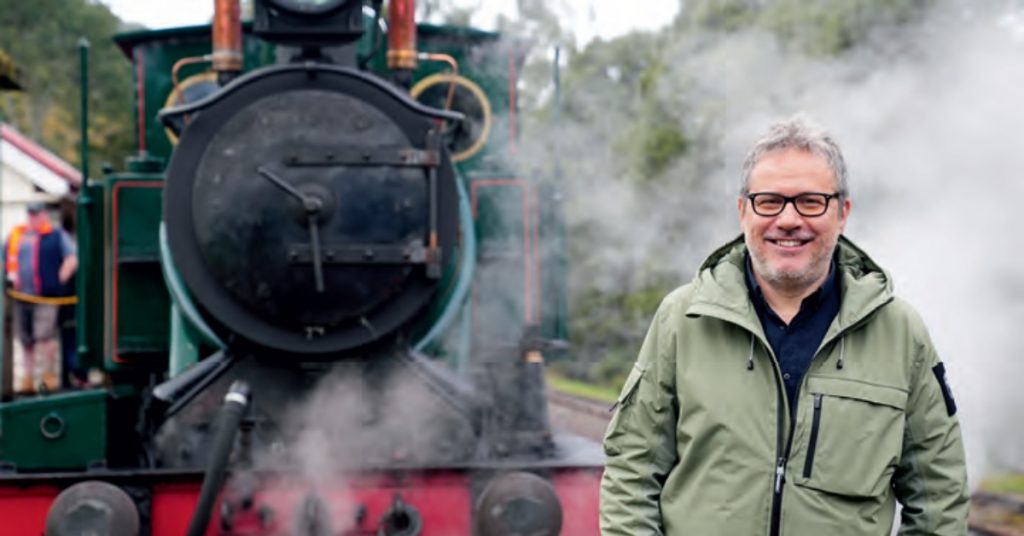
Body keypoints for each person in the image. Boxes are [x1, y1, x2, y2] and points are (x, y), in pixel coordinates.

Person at [600, 116, 968, 535]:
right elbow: (631, 471)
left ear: (842, 212)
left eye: (810, 201)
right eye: (769, 201)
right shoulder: (682, 320)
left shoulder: (901, 333)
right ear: (743, 211)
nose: (789, 219)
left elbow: (939, 500)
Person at [4, 201, 78, 393]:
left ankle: (48, 376)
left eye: (36, 214)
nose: (33, 218)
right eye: (30, 214)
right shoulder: (16, 236)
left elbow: (72, 258)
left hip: (46, 297)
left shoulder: (56, 236)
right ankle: (27, 379)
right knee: (25, 340)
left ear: (44, 215)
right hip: (20, 297)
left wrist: (61, 277)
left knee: (45, 336)